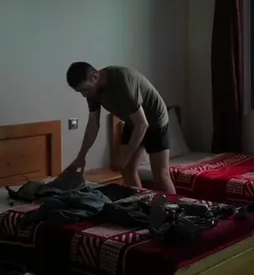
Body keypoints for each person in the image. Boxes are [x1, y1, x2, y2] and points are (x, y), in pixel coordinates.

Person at [64, 62, 176, 194]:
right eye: (80, 91)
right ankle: (139, 201)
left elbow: (142, 124)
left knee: (160, 175)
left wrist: (125, 156)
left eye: (85, 89)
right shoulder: (92, 92)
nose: (84, 95)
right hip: (133, 121)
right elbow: (93, 125)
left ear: (95, 76)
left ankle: (177, 205)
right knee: (127, 170)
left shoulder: (121, 82)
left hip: (155, 120)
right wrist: (81, 157)